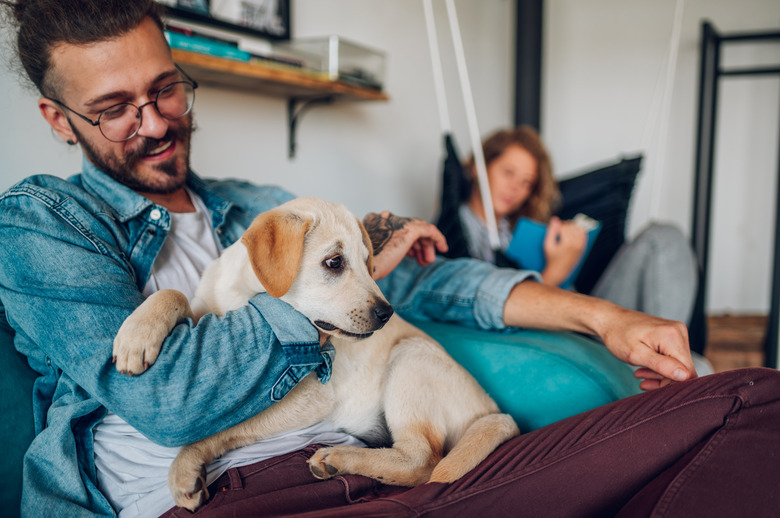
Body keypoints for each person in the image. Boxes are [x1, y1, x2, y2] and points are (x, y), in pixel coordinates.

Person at [0, 1, 777, 516]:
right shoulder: (45, 225)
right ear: (59, 120)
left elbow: (428, 282)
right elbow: (170, 397)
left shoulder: (263, 203)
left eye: (166, 89)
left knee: (748, 413)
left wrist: (604, 317)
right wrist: (334, 292)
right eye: (112, 110)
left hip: (347, 461)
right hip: (213, 491)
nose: (155, 122)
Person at [446, 126, 712, 374]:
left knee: (663, 237)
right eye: (508, 172)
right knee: (700, 369)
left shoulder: (521, 229)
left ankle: (666, 353)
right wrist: (555, 272)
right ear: (478, 166)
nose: (516, 188)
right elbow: (487, 310)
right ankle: (666, 369)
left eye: (527, 182)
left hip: (587, 316)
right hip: (558, 336)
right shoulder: (455, 234)